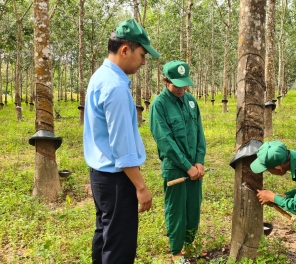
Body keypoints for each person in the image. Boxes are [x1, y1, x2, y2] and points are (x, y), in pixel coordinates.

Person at [83, 18, 160, 264]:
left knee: (105, 236)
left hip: (100, 175)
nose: (144, 61)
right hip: (118, 179)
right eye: (142, 54)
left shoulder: (100, 77)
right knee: (119, 247)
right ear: (125, 50)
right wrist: (140, 187)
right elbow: (122, 147)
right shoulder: (115, 87)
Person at [149, 60, 206, 264]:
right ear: (165, 81)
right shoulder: (159, 105)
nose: (182, 89)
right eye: (177, 85)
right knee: (177, 210)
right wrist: (187, 166)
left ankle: (189, 244)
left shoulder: (191, 101)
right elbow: (165, 142)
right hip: (175, 168)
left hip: (194, 168)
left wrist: (199, 161)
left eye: (185, 84)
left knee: (193, 207)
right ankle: (176, 252)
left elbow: (199, 131)